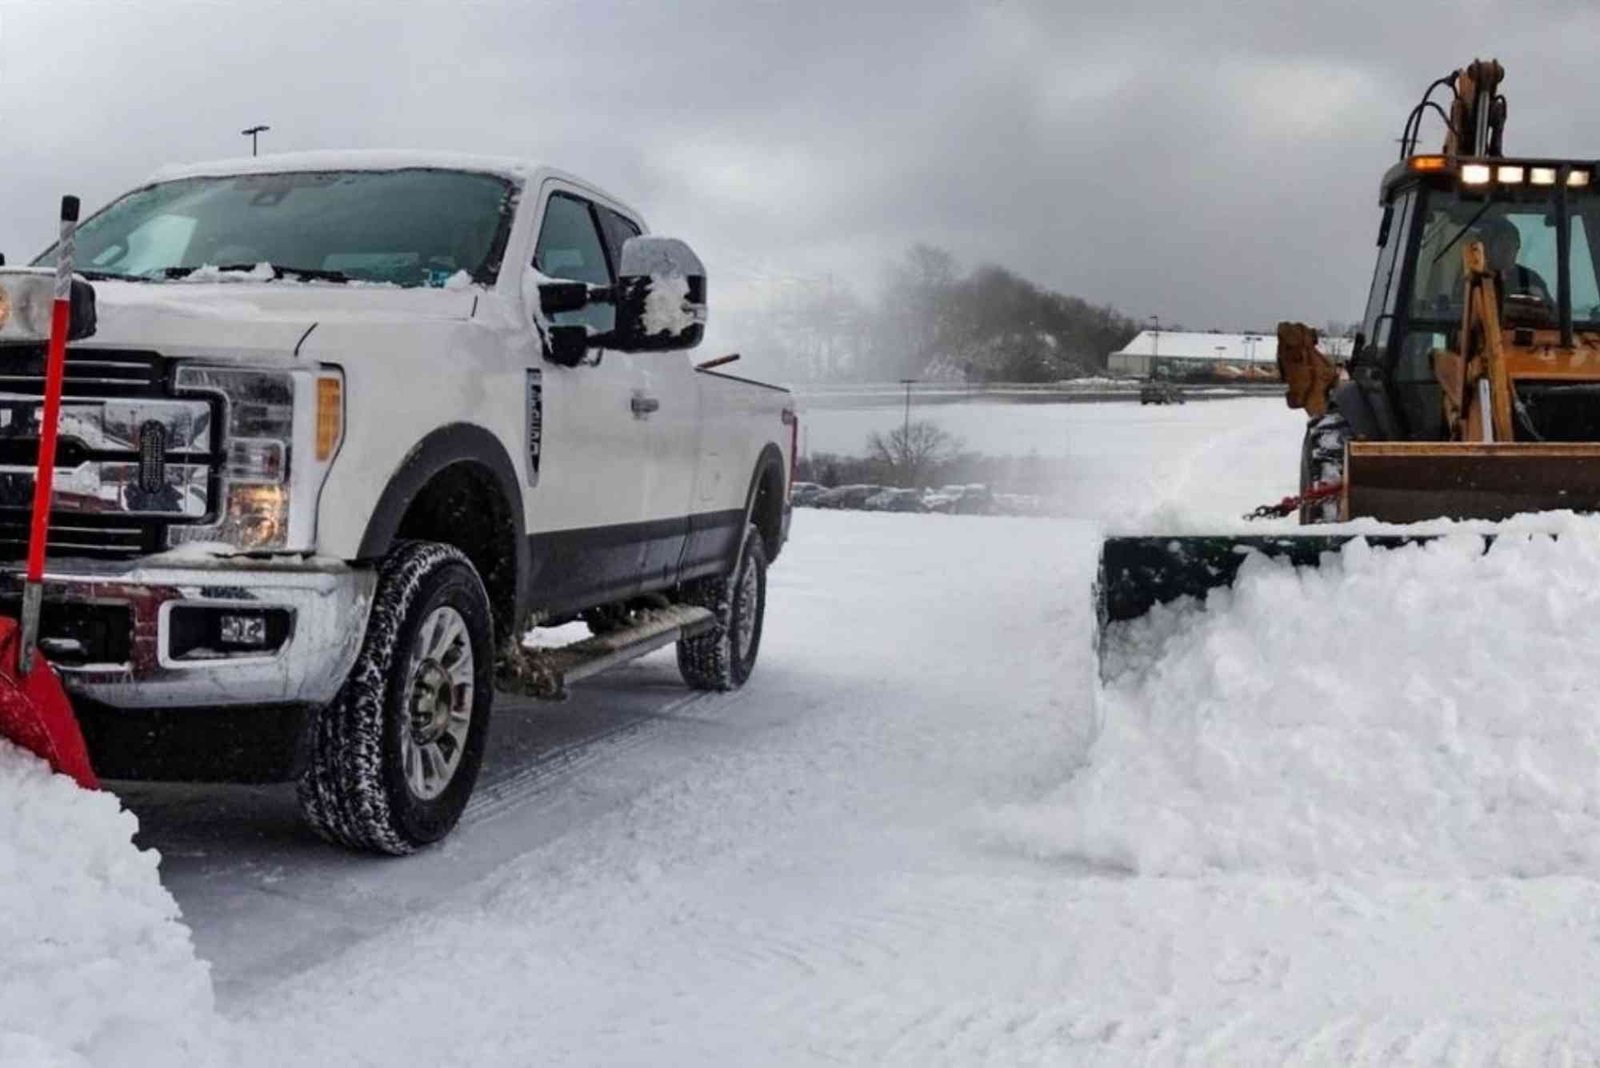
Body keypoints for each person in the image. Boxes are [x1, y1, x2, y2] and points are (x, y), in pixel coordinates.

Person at [1479, 217, 1553, 306]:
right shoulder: (1475, 278)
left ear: (1517, 247)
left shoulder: (1530, 279)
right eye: (1501, 242)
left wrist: (1539, 300)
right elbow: (1461, 309)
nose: (1507, 249)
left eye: (1511, 243)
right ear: (1489, 248)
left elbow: (1552, 314)